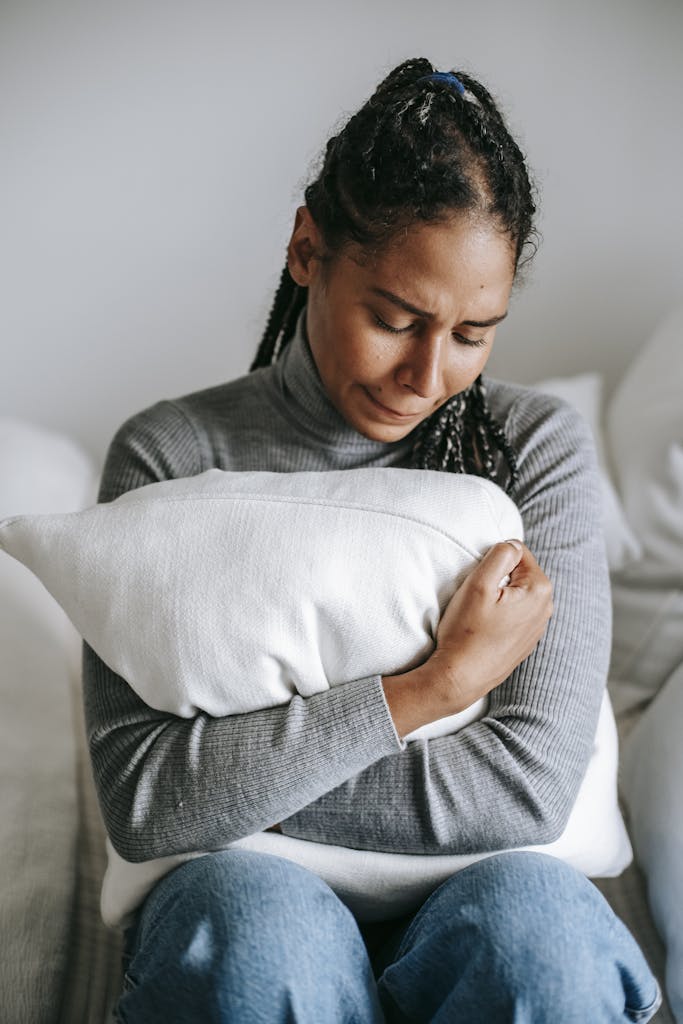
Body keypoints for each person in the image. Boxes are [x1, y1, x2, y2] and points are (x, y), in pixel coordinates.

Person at [85, 58, 661, 1022]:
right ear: (307, 249)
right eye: (394, 319)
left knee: (547, 949)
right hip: (247, 884)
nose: (427, 374)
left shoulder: (529, 449)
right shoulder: (172, 452)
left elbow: (527, 788)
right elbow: (144, 800)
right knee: (260, 946)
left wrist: (237, 775)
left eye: (474, 333)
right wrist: (432, 689)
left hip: (483, 879)